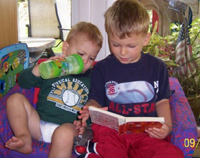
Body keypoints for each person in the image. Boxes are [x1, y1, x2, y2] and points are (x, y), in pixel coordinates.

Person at [78, 0, 184, 158]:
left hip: (146, 134)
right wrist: (90, 109)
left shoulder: (157, 68)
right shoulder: (102, 68)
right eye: (115, 44)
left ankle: (97, 150)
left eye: (131, 46)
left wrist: (167, 127)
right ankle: (96, 149)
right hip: (113, 132)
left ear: (146, 39)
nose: (123, 52)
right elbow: (96, 99)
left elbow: (162, 100)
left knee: (172, 154)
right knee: (108, 142)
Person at [5, 21, 103, 158]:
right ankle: (24, 138)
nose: (85, 61)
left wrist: (84, 126)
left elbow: (96, 105)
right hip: (38, 125)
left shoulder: (93, 78)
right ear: (65, 48)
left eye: (91, 58)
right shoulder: (53, 68)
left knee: (65, 133)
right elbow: (23, 82)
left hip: (68, 131)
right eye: (80, 54)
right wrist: (38, 69)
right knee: (14, 99)